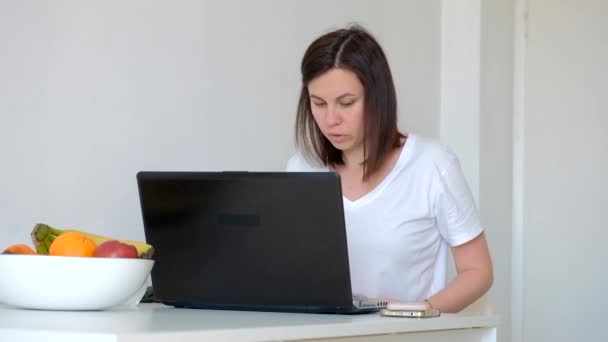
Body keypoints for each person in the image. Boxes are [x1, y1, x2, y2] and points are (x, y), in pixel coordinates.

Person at [286, 25, 493, 313]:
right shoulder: (301, 168)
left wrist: (413, 311)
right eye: (318, 103)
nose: (330, 119)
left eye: (346, 103)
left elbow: (478, 272)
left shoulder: (431, 165)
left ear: (377, 96)